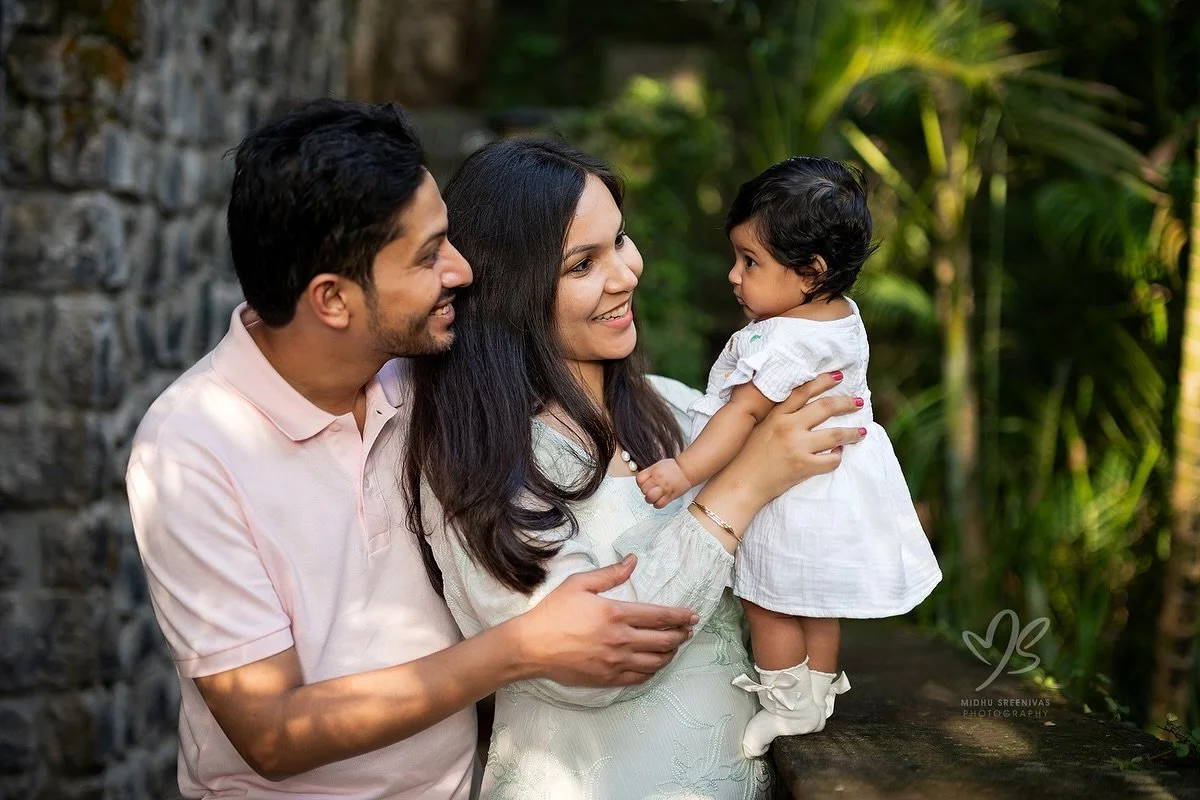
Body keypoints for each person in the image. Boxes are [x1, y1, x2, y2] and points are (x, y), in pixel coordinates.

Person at [124, 100, 862, 799]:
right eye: (428, 256)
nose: (463, 270)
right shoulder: (193, 448)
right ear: (332, 300)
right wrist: (519, 647)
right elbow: (271, 731)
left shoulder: (428, 380)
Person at [406, 139, 867, 799]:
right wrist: (740, 490)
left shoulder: (684, 414)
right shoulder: (483, 461)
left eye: (620, 241)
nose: (625, 274)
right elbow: (593, 658)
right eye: (582, 263)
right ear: (513, 288)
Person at [636, 156, 943, 756]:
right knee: (816, 598)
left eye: (750, 262)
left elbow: (742, 415)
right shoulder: (842, 319)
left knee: (768, 600)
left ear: (811, 272)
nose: (733, 275)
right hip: (835, 483)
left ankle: (785, 705)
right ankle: (817, 692)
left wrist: (684, 470)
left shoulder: (781, 340)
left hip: (792, 492)